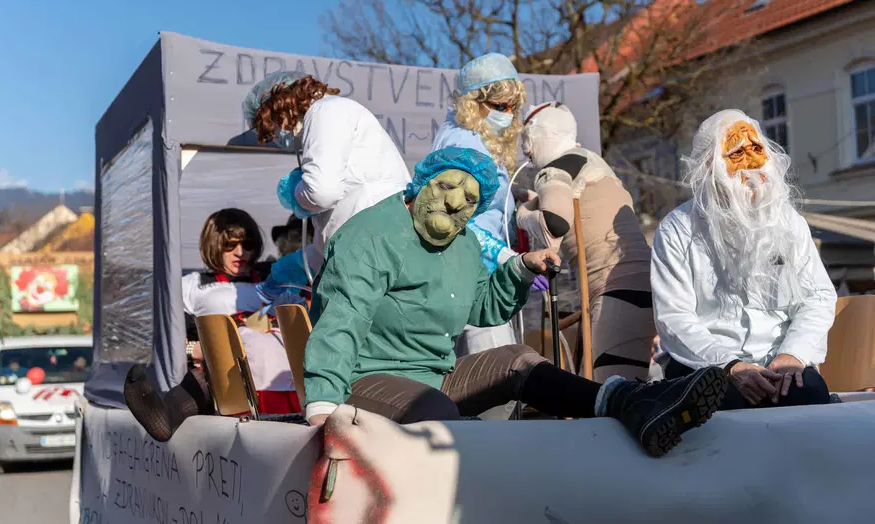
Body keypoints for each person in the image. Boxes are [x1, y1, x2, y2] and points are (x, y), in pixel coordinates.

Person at [302, 147, 728, 457]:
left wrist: (521, 268)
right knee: (434, 410)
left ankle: (632, 404)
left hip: (435, 375)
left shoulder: (463, 243)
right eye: (447, 186)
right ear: (423, 182)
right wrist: (322, 407)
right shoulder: (372, 235)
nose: (454, 202)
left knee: (519, 360)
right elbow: (342, 320)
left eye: (469, 200)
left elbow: (481, 308)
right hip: (361, 380)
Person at [652, 109, 836, 410]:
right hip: (707, 365)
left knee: (808, 394)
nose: (751, 163)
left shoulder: (789, 223)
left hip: (780, 363)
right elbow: (674, 319)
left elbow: (817, 297)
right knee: (722, 400)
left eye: (756, 149)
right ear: (710, 166)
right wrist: (730, 366)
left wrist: (793, 355)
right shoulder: (677, 229)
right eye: (737, 152)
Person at [124, 209, 302, 442]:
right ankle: (164, 416)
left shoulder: (276, 276)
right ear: (214, 244)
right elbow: (167, 338)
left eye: (247, 244)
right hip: (227, 369)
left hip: (282, 363)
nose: (241, 252)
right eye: (230, 245)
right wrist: (194, 350)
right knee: (213, 373)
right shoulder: (192, 286)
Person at [516, 102, 656, 382]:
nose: (526, 151)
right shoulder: (593, 163)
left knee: (607, 401)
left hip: (614, 292)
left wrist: (522, 217)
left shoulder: (554, 171)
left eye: (527, 140)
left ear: (541, 134)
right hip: (643, 286)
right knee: (620, 392)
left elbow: (553, 224)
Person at [244, 72, 411, 277]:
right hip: (369, 246)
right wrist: (301, 264)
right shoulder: (333, 113)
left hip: (372, 246)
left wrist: (297, 191)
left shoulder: (324, 111)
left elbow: (322, 192)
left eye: (272, 126)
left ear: (281, 105)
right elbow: (335, 222)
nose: (276, 135)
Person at [431, 53, 537, 356]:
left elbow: (483, 200)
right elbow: (458, 223)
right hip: (474, 279)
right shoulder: (463, 146)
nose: (507, 114)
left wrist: (514, 198)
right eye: (499, 106)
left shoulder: (476, 138)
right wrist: (510, 259)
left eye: (512, 107)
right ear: (472, 102)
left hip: (480, 278)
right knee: (494, 379)